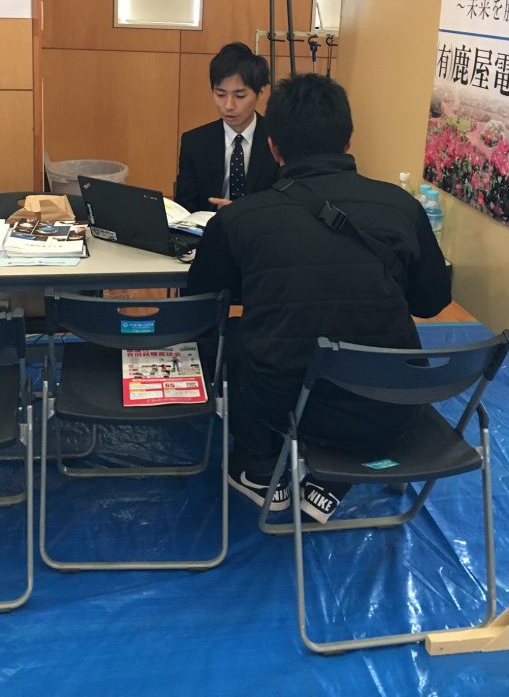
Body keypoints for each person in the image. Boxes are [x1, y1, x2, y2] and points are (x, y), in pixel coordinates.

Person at [187, 73, 451, 521]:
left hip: (284, 410)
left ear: (273, 148)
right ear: (348, 141)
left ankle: (260, 468)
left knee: (226, 336)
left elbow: (202, 300)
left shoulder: (240, 219)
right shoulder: (401, 206)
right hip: (391, 404)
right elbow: (430, 302)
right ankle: (334, 477)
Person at [174, 42, 278, 213]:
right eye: (220, 94)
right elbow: (185, 205)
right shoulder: (195, 142)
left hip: (260, 226)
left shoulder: (278, 139)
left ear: (260, 92)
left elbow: (285, 202)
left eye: (240, 95)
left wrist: (241, 211)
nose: (228, 105)